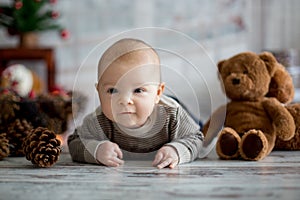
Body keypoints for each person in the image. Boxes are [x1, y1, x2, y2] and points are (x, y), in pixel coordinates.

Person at [68, 38, 204, 169]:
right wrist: (96, 150)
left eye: (138, 90)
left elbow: (196, 138)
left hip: (169, 107)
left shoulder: (171, 114)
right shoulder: (99, 120)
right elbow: (75, 142)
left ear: (157, 93)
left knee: (200, 127)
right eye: (113, 90)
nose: (125, 100)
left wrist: (177, 150)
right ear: (99, 92)